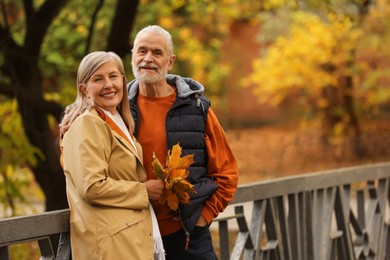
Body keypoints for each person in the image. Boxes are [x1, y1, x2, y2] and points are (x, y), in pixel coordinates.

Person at [128, 25, 239, 260]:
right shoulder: (117, 109)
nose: (148, 59)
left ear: (170, 61)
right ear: (132, 56)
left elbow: (227, 173)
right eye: (142, 51)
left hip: (187, 236)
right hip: (132, 236)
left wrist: (202, 218)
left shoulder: (195, 107)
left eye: (157, 53)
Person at [58, 51, 165, 260]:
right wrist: (143, 191)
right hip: (110, 246)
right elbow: (92, 186)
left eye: (113, 76)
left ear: (123, 81)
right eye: (98, 79)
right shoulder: (87, 123)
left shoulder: (117, 121)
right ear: (84, 89)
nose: (108, 84)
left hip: (128, 239)